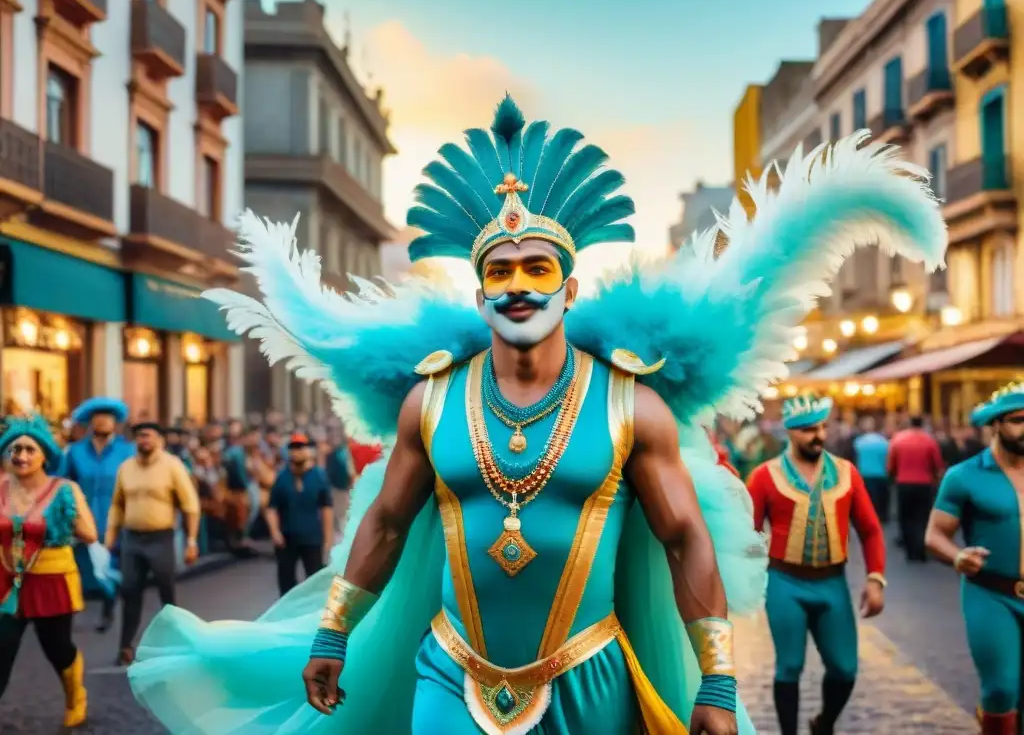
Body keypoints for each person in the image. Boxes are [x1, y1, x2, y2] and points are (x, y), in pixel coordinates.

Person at [127, 98, 946, 734]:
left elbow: (686, 537)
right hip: (450, 669)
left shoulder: (634, 404)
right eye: (502, 270)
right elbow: (382, 524)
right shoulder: (432, 399)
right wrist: (336, 633)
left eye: (537, 266)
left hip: (590, 677)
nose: (519, 283)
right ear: (480, 293)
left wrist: (718, 678)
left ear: (569, 287)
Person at [746, 395, 886, 735]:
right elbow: (746, 530)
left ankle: (824, 723)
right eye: (809, 430)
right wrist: (747, 571)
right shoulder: (765, 476)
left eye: (823, 427)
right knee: (789, 667)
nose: (819, 435)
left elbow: (870, 529)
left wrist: (875, 579)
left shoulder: (846, 473)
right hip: (784, 582)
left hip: (832, 582)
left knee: (845, 669)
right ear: (790, 433)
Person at [925, 382, 1024, 735]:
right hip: (991, 593)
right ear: (995, 424)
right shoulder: (964, 476)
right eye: (1018, 420)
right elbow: (934, 535)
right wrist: (957, 556)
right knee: (1001, 689)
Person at [0, 414, 99, 728]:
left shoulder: (63, 489)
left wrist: (62, 517)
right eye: (15, 449)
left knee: (57, 648)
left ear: (45, 455)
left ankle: (75, 697)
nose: (22, 456)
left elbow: (90, 534)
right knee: (2, 648)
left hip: (51, 579)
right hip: (5, 581)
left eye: (30, 449)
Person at [105, 422, 200, 665]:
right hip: (132, 539)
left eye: (147, 436)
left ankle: (178, 644)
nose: (143, 440)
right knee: (129, 591)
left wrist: (191, 540)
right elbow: (117, 503)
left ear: (160, 439)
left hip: (161, 538)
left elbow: (190, 505)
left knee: (166, 592)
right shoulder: (126, 468)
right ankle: (125, 647)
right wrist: (110, 536)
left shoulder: (172, 466)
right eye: (139, 437)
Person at [59, 397, 135, 632]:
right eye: (98, 418)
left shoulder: (127, 450)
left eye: (107, 418)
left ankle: (108, 608)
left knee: (109, 568)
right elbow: (62, 483)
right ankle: (67, 616)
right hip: (83, 519)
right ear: (91, 422)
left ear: (116, 423)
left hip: (116, 520)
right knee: (79, 568)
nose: (102, 422)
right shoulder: (75, 452)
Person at [266, 433, 334, 595]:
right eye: (293, 448)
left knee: (314, 580)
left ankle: (312, 616)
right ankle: (287, 615)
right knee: (286, 582)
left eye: (300, 448)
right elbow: (271, 508)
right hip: (286, 538)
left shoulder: (318, 476)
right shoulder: (282, 477)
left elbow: (326, 509)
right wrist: (275, 532)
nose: (297, 452)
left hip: (312, 538)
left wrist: (328, 538)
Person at [888, 414, 944, 561]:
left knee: (906, 517)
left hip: (904, 483)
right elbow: (937, 464)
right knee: (922, 517)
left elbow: (891, 464)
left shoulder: (898, 439)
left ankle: (910, 549)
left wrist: (893, 476)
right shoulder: (929, 440)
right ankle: (921, 548)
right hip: (924, 483)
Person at [852, 416, 891, 523]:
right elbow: (888, 459)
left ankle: (868, 519)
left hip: (864, 475)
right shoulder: (883, 441)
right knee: (881, 500)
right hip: (881, 475)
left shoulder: (858, 442)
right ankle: (881, 519)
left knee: (867, 501)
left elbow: (855, 459)